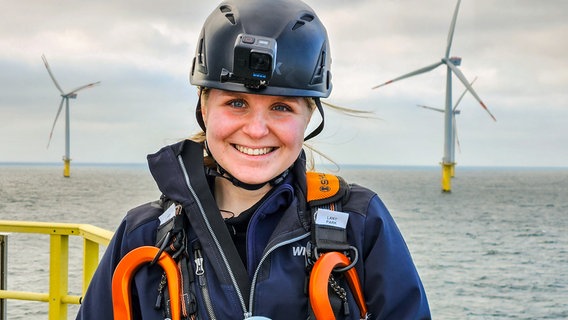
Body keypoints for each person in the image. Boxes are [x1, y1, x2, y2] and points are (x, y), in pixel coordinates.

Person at [76, 0, 431, 319]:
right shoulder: (144, 236)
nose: (257, 130)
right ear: (204, 107)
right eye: (236, 103)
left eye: (281, 107)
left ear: (308, 118)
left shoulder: (359, 224)